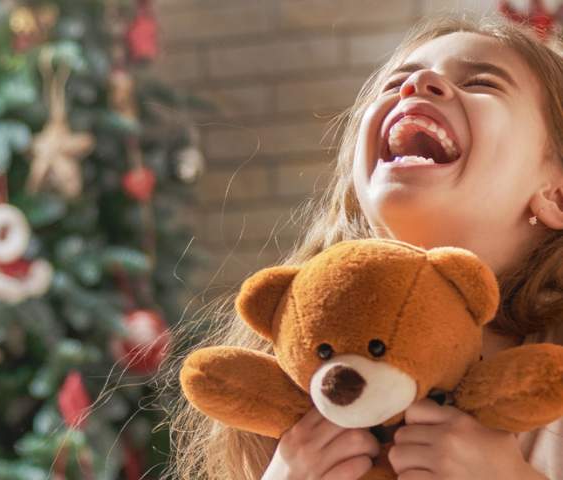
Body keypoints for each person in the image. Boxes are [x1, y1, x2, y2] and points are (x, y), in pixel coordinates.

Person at [166, 14, 563, 480]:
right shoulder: (291, 372)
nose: (418, 83)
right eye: (395, 83)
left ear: (555, 193)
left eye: (482, 83)